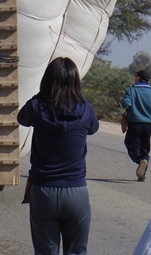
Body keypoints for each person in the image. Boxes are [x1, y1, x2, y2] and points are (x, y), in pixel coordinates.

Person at [18, 57, 99, 255]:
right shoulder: (85, 109)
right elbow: (93, 128)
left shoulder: (38, 107)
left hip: (43, 191)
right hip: (76, 191)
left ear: (47, 81)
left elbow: (22, 118)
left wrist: (42, 94)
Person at [122, 69, 151, 182]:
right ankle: (142, 172)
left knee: (132, 145)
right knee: (145, 148)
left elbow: (126, 103)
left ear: (138, 78)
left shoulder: (131, 90)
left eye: (136, 76)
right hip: (148, 124)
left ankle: (140, 160)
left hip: (134, 123)